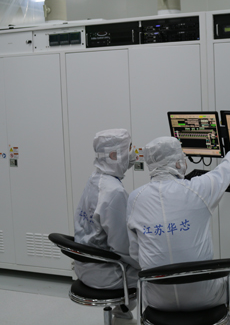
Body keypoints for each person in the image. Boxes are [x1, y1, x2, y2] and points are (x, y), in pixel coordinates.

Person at [127, 136, 230, 325]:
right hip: (203, 295)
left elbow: (134, 253)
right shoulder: (197, 189)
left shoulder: (135, 199)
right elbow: (225, 171)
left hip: (156, 298)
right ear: (178, 163)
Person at [74, 128, 141, 320]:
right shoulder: (114, 192)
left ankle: (122, 316)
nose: (133, 153)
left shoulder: (95, 180)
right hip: (106, 272)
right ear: (113, 155)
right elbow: (123, 247)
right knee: (154, 274)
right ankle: (124, 316)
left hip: (84, 266)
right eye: (129, 148)